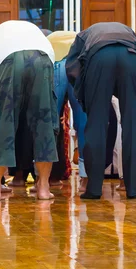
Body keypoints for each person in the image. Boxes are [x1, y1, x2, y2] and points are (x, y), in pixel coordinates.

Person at [66, 22, 136, 199]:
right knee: (133, 123)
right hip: (132, 58)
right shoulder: (128, 31)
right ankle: (134, 189)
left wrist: (85, 93)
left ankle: (94, 189)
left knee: (97, 124)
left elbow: (72, 66)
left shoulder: (84, 34)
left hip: (99, 57)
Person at [0, 20, 59, 201]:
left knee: (2, 121)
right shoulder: (32, 30)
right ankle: (44, 188)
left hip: (9, 59)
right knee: (44, 122)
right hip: (43, 57)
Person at [47, 31, 85, 187]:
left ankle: (47, 178)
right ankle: (85, 178)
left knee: (50, 122)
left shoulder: (48, 39)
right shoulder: (80, 37)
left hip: (55, 66)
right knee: (83, 123)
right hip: (78, 66)